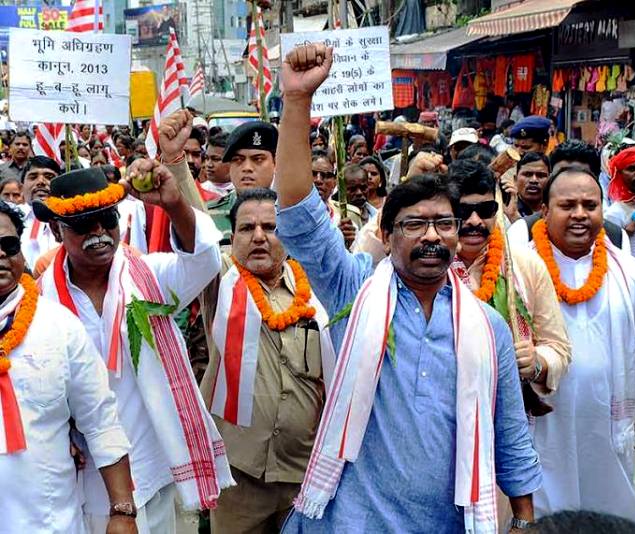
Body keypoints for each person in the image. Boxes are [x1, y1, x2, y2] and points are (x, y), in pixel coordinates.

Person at [276, 42, 541, 534]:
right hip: (351, 522)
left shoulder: (487, 327)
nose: (431, 236)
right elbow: (298, 215)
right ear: (389, 233)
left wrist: (524, 521)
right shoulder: (354, 294)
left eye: (444, 223)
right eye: (414, 224)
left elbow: (510, 432)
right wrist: (296, 103)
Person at [36, 164, 234, 533]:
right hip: (86, 479)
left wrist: (174, 206)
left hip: (153, 467)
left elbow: (204, 260)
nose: (98, 232)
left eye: (106, 219)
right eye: (82, 225)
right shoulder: (40, 303)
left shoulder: (150, 277)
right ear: (55, 230)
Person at [527, 165, 635, 525]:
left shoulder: (630, 273)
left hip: (605, 423)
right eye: (567, 205)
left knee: (609, 518)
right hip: (543, 425)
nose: (579, 214)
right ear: (545, 211)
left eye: (590, 205)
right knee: (549, 518)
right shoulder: (520, 270)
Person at [199, 188, 332, 533]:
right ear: (232, 237)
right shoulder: (221, 281)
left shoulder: (316, 290)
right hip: (239, 478)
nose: (259, 236)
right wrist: (176, 163)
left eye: (270, 227)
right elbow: (195, 232)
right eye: (246, 228)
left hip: (304, 477)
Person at [0, 201, 136, 532]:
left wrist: (122, 512)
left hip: (47, 520)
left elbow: (100, 418)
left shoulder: (58, 325)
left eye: (8, 244)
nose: (1, 254)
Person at [447, 158, 571, 401]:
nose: (475, 221)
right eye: (463, 212)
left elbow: (558, 347)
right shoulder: (429, 265)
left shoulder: (525, 264)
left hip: (507, 407)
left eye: (485, 211)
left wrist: (537, 363)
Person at [204, 120, 277, 246]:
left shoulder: (290, 215)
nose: (247, 168)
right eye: (238, 160)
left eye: (258, 159)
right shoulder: (208, 216)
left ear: (275, 163)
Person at [19, 155, 60, 268]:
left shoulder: (70, 220)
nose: (41, 182)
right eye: (33, 177)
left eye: (49, 177)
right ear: (21, 188)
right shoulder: (7, 219)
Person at [514, 152, 550, 218]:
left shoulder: (554, 210)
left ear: (550, 180)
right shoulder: (504, 211)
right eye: (527, 174)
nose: (534, 180)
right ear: (515, 179)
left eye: (541, 175)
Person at [201, 132, 233, 200]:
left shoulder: (243, 191)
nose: (209, 165)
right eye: (206, 158)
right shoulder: (200, 191)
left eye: (215, 159)